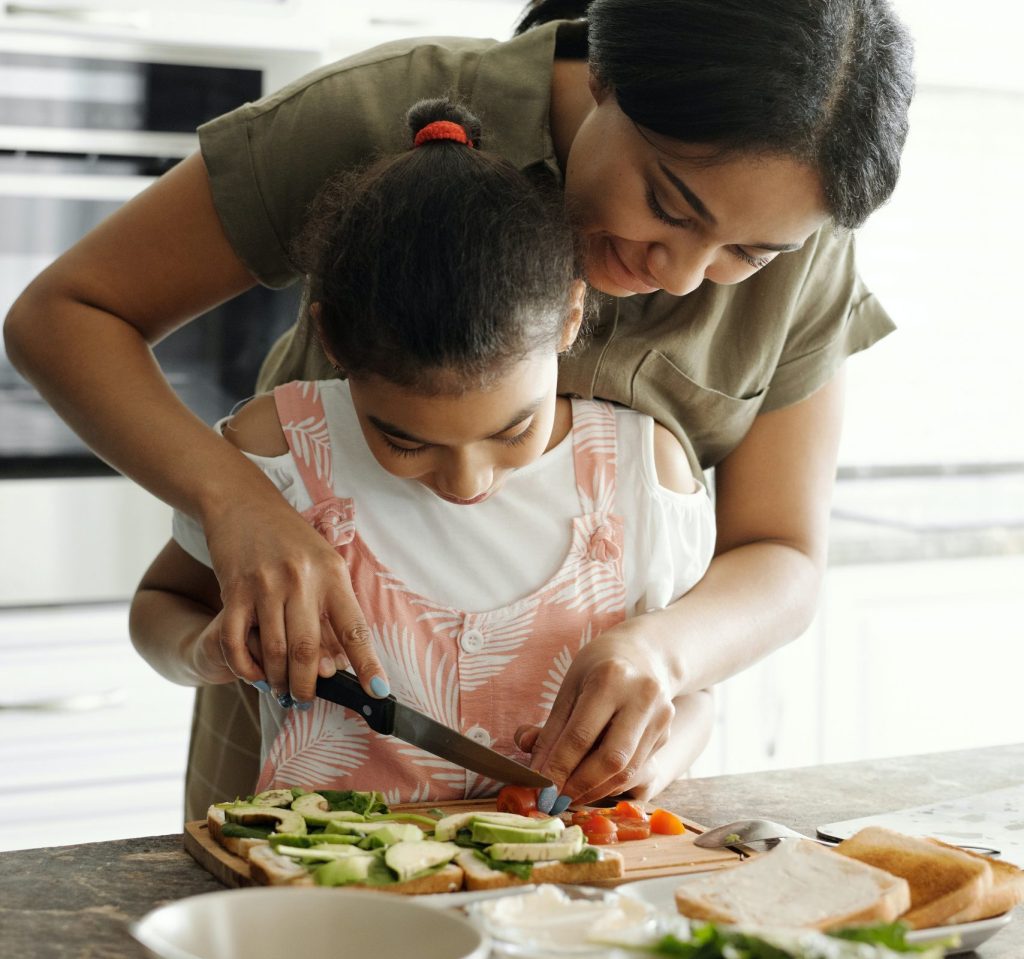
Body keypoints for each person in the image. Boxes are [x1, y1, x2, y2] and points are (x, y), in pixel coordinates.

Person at [3, 0, 915, 819]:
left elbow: (783, 554)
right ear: (603, 77)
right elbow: (65, 316)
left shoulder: (806, 241)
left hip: (587, 803)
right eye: (667, 203)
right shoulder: (380, 112)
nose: (680, 274)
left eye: (746, 254)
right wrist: (233, 500)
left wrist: (668, 662)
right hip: (302, 766)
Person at [128, 98, 717, 808]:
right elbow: (159, 606)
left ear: (569, 316)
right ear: (335, 343)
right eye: (404, 439)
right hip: (331, 909)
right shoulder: (278, 452)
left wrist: (654, 763)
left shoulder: (643, 475)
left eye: (512, 431)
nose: (466, 480)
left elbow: (698, 695)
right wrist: (211, 652)